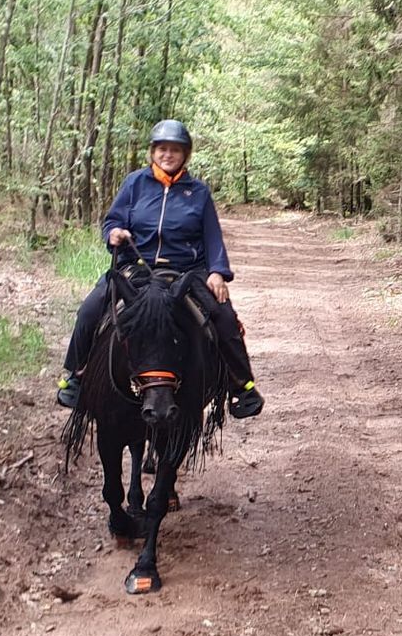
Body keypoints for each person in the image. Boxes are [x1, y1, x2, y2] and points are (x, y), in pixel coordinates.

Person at [55, 119, 263, 419]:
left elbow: (212, 236)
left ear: (185, 155)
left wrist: (217, 272)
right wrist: (114, 233)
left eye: (175, 150)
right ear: (153, 152)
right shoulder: (134, 184)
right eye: (162, 149)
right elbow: (113, 220)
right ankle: (76, 375)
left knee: (224, 317)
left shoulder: (199, 192)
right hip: (136, 267)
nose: (168, 155)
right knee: (90, 310)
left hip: (186, 271)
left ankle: (241, 386)